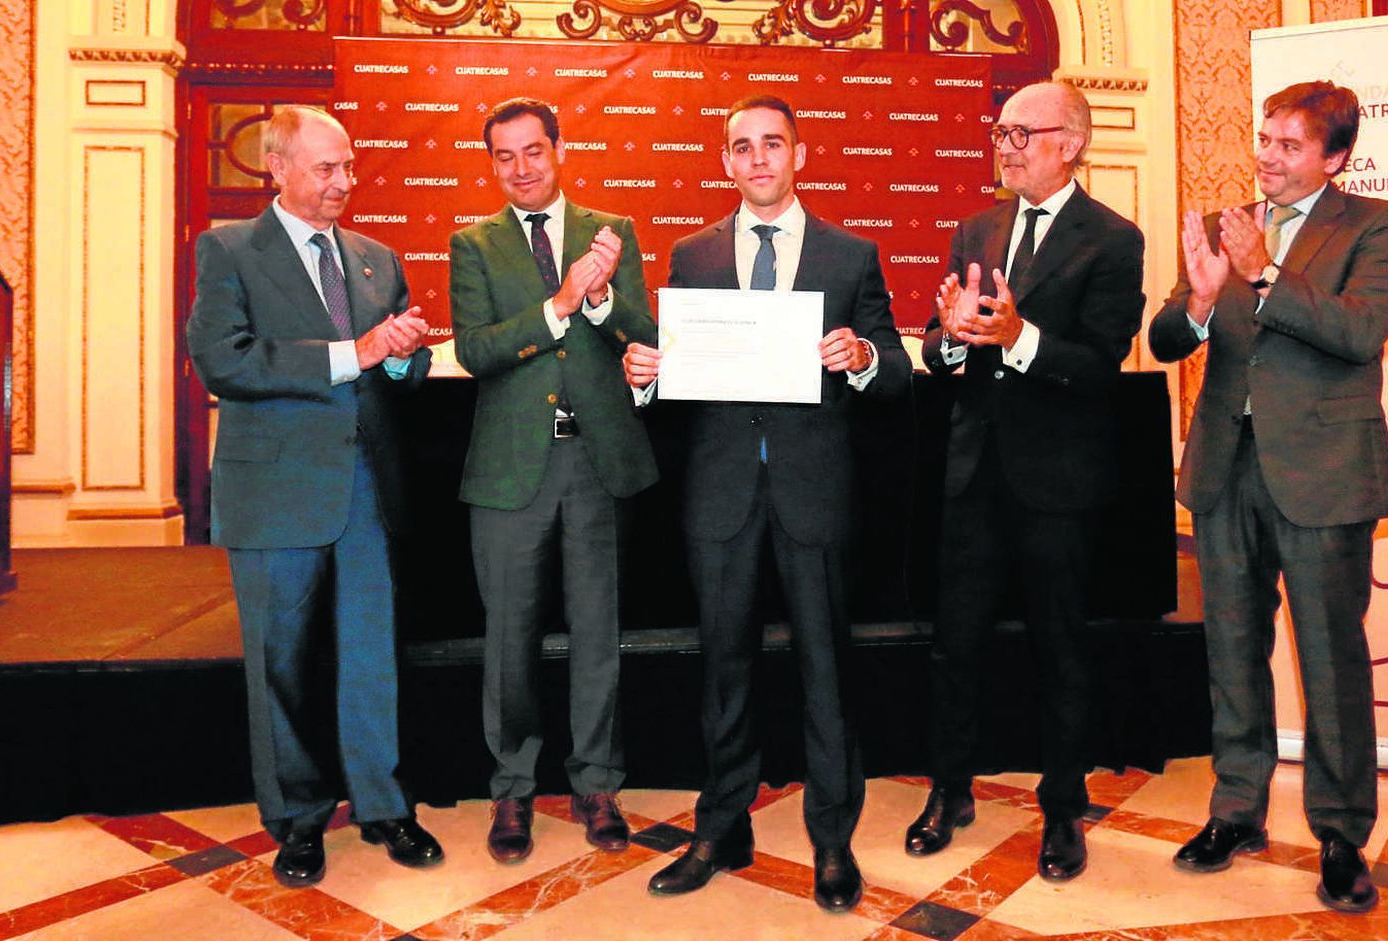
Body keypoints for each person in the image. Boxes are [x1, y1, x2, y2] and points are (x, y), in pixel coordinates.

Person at [622, 94, 908, 912]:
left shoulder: (850, 255)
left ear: (799, 155)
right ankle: (721, 828)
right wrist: (645, 376)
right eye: (742, 147)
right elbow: (678, 369)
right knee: (723, 670)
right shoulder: (693, 254)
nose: (757, 159)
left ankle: (832, 839)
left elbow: (894, 369)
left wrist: (861, 355)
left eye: (772, 144)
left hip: (814, 492)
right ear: (725, 161)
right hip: (721, 495)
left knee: (826, 671)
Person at [1147, 80, 1388, 914]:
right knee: (1231, 650)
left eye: (1289, 145)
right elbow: (1164, 339)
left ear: (1336, 157)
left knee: (1332, 659)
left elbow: (1360, 331)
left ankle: (1340, 833)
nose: (1266, 157)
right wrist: (1198, 299)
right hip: (1226, 468)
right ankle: (1236, 812)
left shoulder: (1378, 225)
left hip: (1324, 470)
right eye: (1264, 139)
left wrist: (1263, 275)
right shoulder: (1224, 224)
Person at [187, 105, 442, 887]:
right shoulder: (229, 249)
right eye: (327, 167)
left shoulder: (376, 258)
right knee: (282, 661)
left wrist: (399, 355)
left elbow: (403, 372)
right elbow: (222, 359)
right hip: (275, 489)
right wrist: (351, 352)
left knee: (371, 653)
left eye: (349, 166)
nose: (344, 181)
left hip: (367, 489)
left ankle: (384, 804)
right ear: (278, 166)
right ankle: (297, 818)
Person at [909, 80, 1145, 881]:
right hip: (974, 474)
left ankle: (1063, 807)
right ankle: (950, 791)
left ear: (1069, 143)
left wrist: (1019, 338)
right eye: (1000, 133)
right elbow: (941, 346)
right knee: (956, 645)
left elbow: (1101, 363)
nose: (1004, 147)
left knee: (1060, 647)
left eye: (1021, 134)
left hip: (1059, 481)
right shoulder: (976, 229)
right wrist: (949, 338)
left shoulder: (1112, 239)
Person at [449, 97, 658, 863]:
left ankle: (597, 783)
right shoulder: (473, 244)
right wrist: (560, 304)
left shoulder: (612, 232)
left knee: (598, 631)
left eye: (533, 151)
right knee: (509, 639)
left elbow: (644, 333)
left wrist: (600, 299)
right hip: (511, 472)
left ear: (559, 150)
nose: (521, 168)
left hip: (596, 462)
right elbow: (476, 349)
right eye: (504, 156)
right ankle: (512, 788)